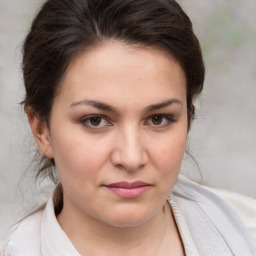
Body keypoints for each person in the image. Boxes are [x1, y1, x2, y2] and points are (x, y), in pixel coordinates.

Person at [1, 0, 256, 255]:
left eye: (158, 119)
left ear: (188, 117)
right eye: (95, 120)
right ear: (41, 129)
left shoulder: (247, 234)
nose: (131, 158)